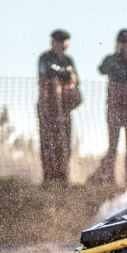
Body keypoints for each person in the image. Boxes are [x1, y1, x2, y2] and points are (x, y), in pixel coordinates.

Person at [89, 28, 127, 184]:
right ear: (118, 43)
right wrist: (116, 54)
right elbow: (102, 69)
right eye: (123, 42)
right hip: (115, 108)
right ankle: (110, 177)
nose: (126, 45)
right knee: (113, 145)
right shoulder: (112, 59)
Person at [37, 29, 77, 185]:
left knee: (64, 140)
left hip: (64, 106)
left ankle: (63, 175)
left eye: (63, 41)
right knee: (48, 140)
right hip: (48, 105)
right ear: (52, 42)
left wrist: (66, 75)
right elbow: (47, 71)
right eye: (57, 41)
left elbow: (75, 79)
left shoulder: (69, 60)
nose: (60, 44)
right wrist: (65, 73)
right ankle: (48, 176)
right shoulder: (45, 57)